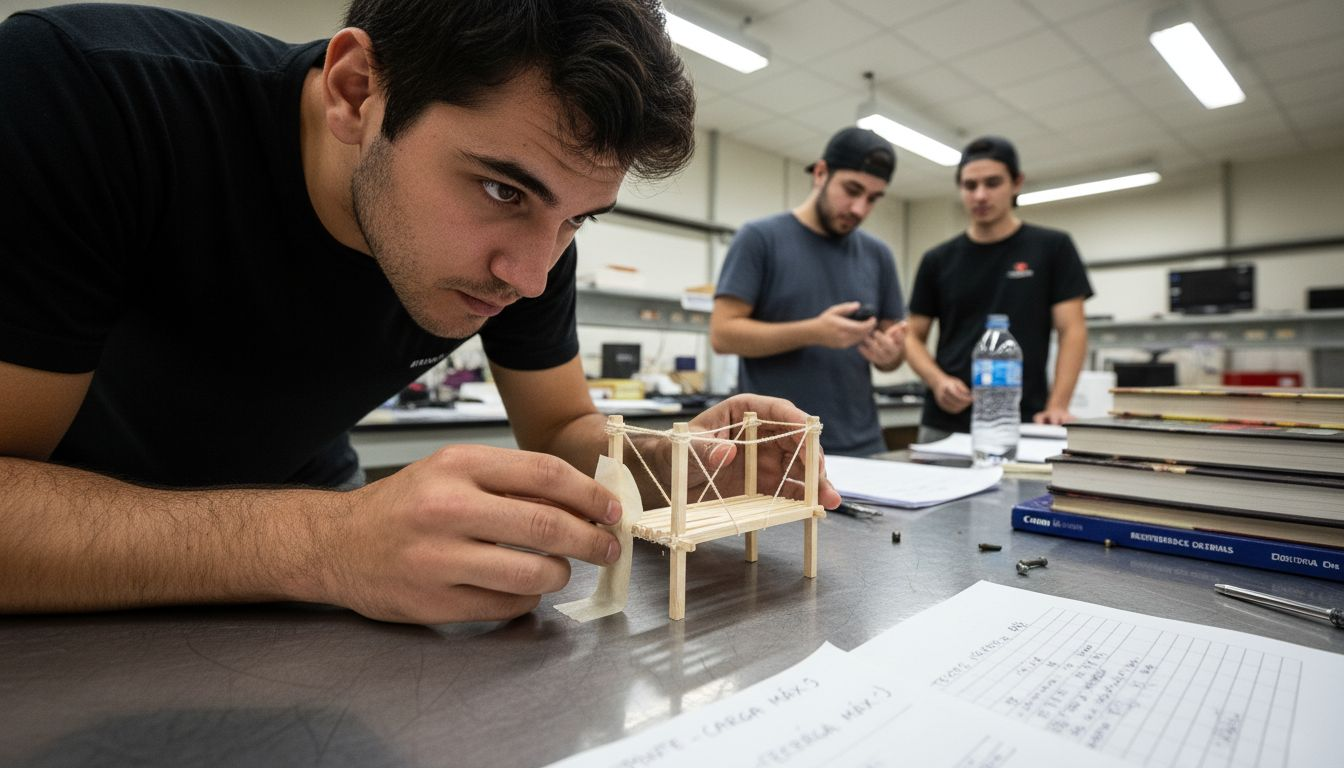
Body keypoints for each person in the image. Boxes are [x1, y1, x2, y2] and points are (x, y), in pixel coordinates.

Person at [0, 1, 840, 625]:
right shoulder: (85, 95)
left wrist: (675, 462)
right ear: (356, 90)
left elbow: (558, 429)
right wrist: (323, 542)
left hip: (307, 562)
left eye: (576, 219)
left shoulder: (534, 241)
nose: (532, 276)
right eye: (501, 189)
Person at [710, 127, 907, 457]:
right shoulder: (759, 239)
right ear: (821, 173)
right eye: (852, 189)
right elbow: (723, 334)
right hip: (775, 451)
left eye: (872, 198)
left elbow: (894, 352)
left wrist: (891, 356)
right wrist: (815, 332)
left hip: (864, 447)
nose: (859, 208)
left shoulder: (879, 255)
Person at [904, 136, 1093, 443]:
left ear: (1016, 183)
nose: (980, 195)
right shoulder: (937, 260)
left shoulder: (1052, 248)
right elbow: (911, 335)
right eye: (970, 185)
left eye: (992, 183)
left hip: (1024, 421)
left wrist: (1058, 404)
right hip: (946, 424)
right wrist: (937, 381)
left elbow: (1072, 330)